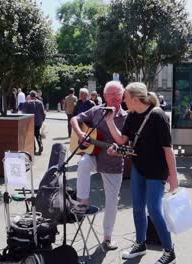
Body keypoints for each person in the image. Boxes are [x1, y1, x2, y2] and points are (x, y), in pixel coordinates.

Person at [104, 82, 178, 264]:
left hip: (156, 170)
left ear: (135, 99)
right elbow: (122, 140)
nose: (123, 101)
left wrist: (173, 177)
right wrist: (109, 121)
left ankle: (169, 251)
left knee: (154, 209)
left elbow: (168, 149)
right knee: (137, 207)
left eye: (126, 98)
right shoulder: (132, 116)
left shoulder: (158, 116)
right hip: (139, 167)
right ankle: (140, 243)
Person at [70, 81, 127, 251]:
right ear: (105, 95)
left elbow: (127, 144)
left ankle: (107, 238)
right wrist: (80, 133)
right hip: (95, 157)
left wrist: (118, 150)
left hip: (113, 164)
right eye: (112, 95)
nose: (116, 99)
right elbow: (75, 118)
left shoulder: (126, 117)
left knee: (111, 203)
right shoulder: (96, 110)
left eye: (119, 95)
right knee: (83, 162)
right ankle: (83, 201)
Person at [23, 91, 46, 155]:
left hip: (30, 122)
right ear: (35, 96)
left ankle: (34, 149)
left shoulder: (27, 103)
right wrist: (42, 120)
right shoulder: (40, 103)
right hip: (38, 122)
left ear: (30, 96)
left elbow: (24, 113)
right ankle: (40, 145)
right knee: (38, 134)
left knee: (31, 136)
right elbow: (43, 113)